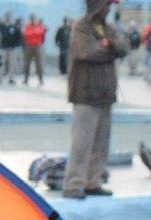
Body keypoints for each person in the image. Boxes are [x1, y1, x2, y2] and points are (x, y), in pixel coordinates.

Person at [63, 0, 122, 200]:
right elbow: (86, 51)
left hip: (106, 94)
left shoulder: (108, 28)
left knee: (101, 143)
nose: (108, 9)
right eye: (106, 5)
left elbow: (124, 46)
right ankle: (73, 184)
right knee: (81, 143)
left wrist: (110, 45)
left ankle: (93, 181)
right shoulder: (81, 27)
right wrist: (109, 49)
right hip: (85, 94)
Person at [22, 14, 46, 84]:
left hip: (37, 46)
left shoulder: (39, 25)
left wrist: (33, 32)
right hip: (28, 45)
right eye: (31, 18)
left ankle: (40, 79)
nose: (32, 19)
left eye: (33, 18)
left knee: (39, 63)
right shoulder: (27, 26)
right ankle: (26, 79)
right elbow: (26, 34)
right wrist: (34, 32)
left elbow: (40, 32)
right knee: (27, 63)